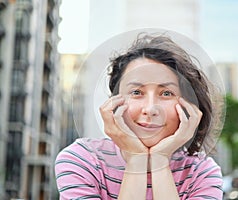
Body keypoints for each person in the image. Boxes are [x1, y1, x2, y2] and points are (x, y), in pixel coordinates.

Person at [55, 32, 224, 199]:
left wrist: (160, 159)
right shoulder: (82, 160)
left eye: (166, 93)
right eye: (136, 92)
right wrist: (137, 158)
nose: (150, 109)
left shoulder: (201, 173)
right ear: (115, 102)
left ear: (189, 106)